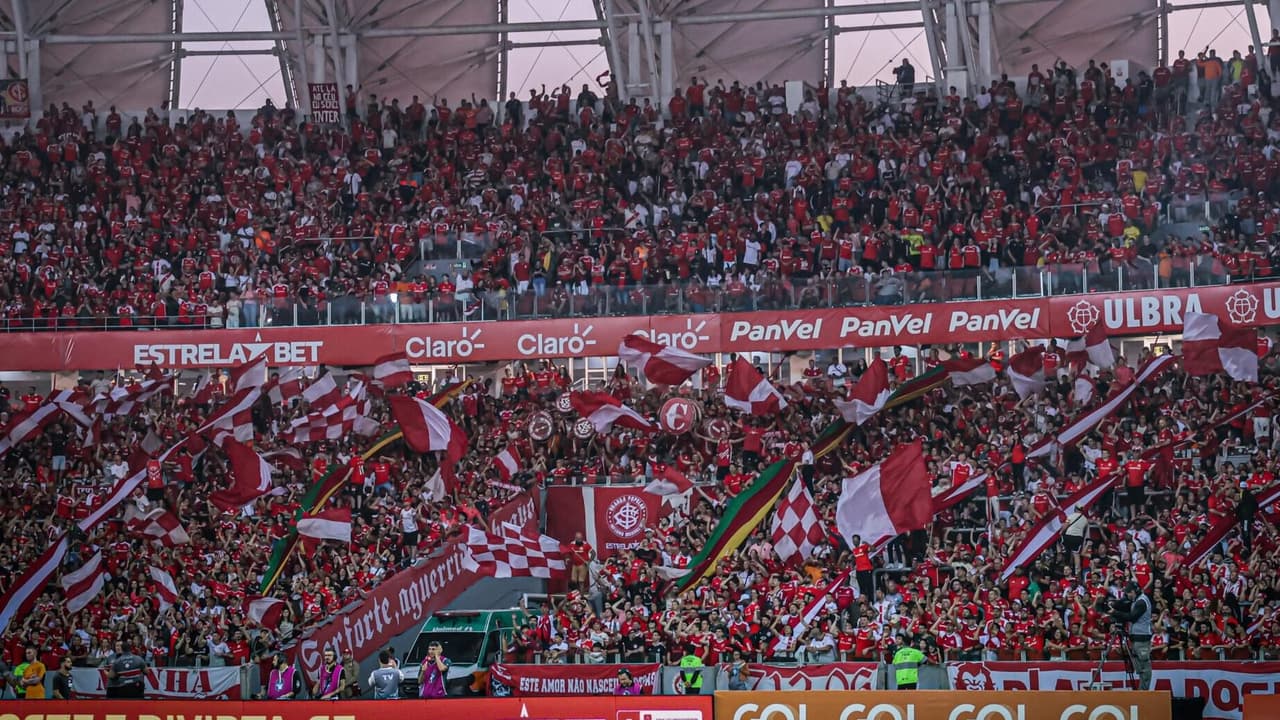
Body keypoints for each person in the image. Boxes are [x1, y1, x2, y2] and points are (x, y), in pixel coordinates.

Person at [1110, 581, 1154, 690]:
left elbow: (1132, 617)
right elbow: (1123, 606)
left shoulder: (1141, 602)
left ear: (1133, 592)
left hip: (1142, 637)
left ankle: (1144, 692)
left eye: (1128, 593)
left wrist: (1114, 612)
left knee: (1144, 667)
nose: (1127, 595)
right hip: (1136, 638)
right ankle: (1141, 690)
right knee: (1139, 668)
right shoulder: (1136, 600)